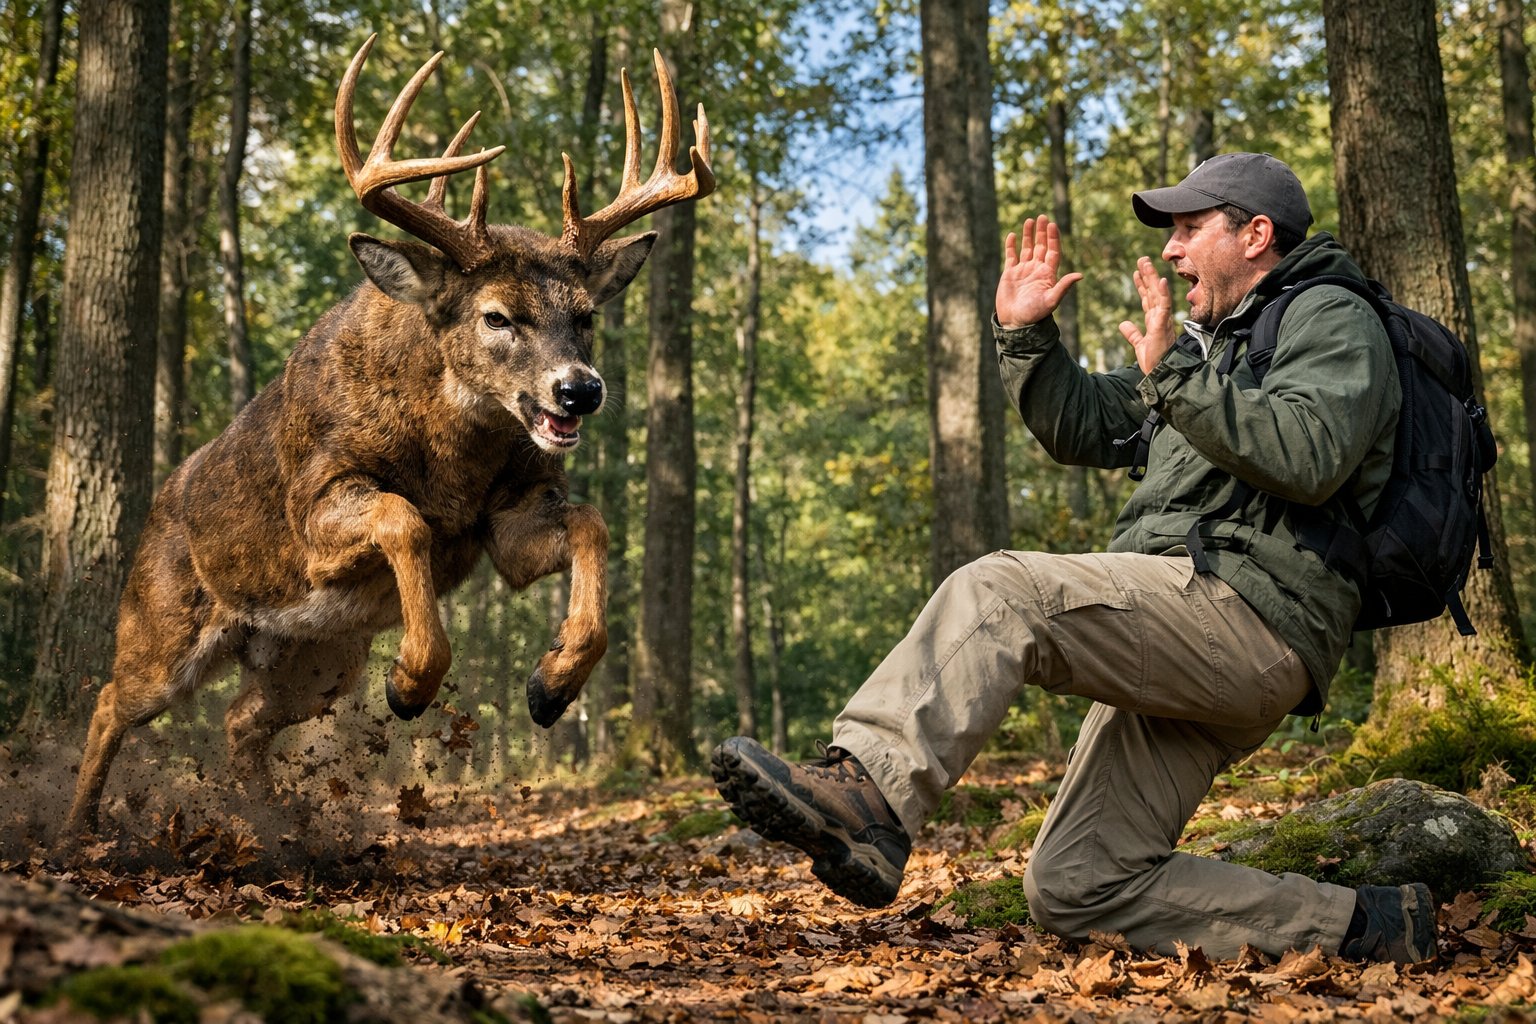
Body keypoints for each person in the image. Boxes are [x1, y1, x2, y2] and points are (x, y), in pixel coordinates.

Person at [712, 153, 1436, 964]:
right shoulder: (1210, 351)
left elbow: (1310, 454)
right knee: (1077, 885)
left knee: (1000, 591)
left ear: (1256, 234)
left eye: (1190, 228)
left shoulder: (1330, 315)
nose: (1171, 249)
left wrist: (1175, 375)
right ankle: (1367, 926)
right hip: (1192, 633)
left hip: (1250, 617)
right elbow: (1088, 423)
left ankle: (869, 795)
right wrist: (1028, 337)